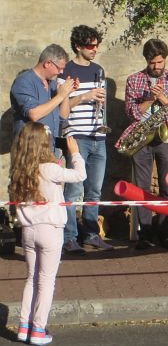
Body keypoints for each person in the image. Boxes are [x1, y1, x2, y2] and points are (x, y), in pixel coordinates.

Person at [9, 122, 86, 345]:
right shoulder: (49, 169)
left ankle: (24, 325)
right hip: (50, 230)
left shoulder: (19, 169)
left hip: (28, 231)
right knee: (46, 281)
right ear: (43, 144)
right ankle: (38, 329)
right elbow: (80, 175)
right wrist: (76, 153)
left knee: (31, 279)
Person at [116, 39, 168, 250]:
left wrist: (162, 98)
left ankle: (166, 232)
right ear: (147, 60)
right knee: (142, 188)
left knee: (167, 186)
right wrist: (150, 99)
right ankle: (145, 234)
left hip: (165, 136)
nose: (157, 67)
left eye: (160, 62)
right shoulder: (134, 79)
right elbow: (132, 112)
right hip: (142, 138)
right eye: (153, 63)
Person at [58, 25, 113, 254]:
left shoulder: (99, 70)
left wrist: (100, 103)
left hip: (97, 136)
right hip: (77, 135)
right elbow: (62, 107)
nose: (95, 49)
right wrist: (85, 96)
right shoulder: (66, 71)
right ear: (78, 46)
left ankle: (91, 235)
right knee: (73, 190)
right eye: (90, 45)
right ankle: (69, 237)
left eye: (97, 45)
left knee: (94, 190)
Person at [10, 44, 76, 154]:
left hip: (51, 152)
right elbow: (34, 114)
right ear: (47, 63)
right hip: (30, 154)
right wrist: (60, 96)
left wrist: (65, 94)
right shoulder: (24, 81)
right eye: (59, 68)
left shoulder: (52, 84)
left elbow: (62, 118)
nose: (61, 72)